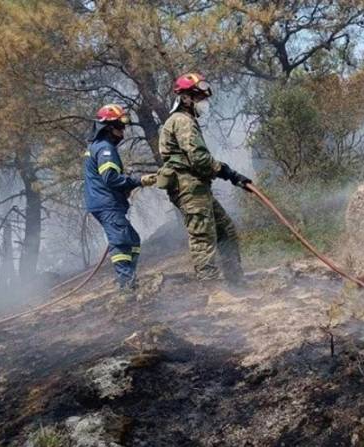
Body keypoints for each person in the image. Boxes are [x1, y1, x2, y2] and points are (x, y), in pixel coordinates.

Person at [157, 73, 252, 286]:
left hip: (197, 187)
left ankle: (235, 282)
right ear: (186, 98)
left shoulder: (185, 120)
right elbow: (199, 159)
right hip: (188, 187)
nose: (204, 103)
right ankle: (211, 290)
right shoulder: (182, 121)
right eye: (200, 98)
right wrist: (227, 172)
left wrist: (230, 174)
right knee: (202, 238)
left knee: (225, 231)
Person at [84, 104, 157, 293]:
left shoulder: (96, 146)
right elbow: (110, 177)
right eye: (120, 126)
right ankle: (126, 287)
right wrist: (138, 181)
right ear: (109, 127)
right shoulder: (105, 148)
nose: (123, 131)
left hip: (104, 203)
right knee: (122, 242)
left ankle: (129, 280)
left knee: (132, 240)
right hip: (107, 204)